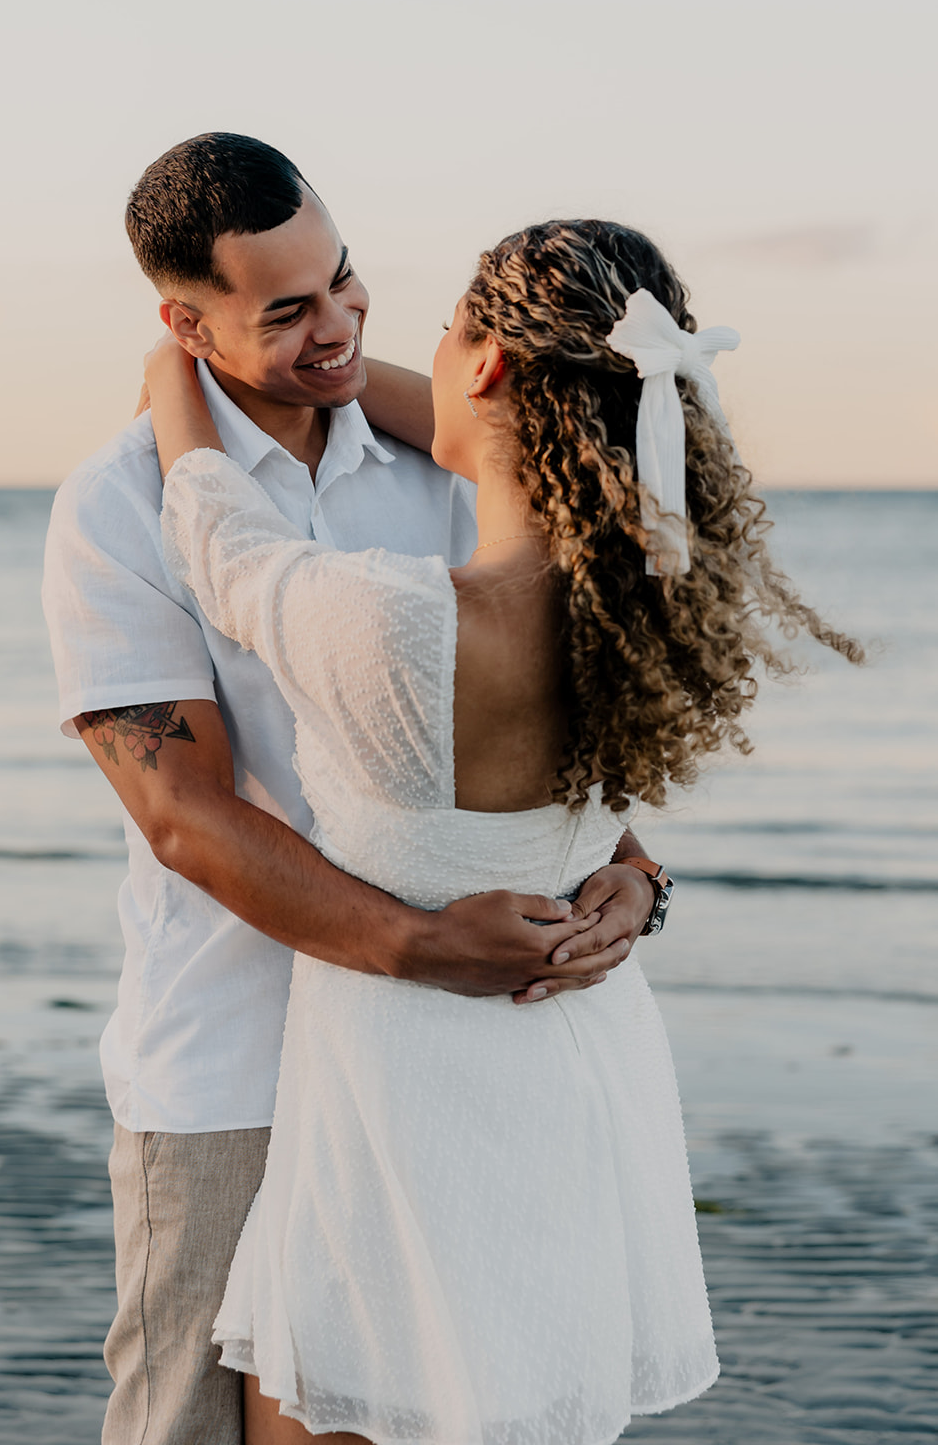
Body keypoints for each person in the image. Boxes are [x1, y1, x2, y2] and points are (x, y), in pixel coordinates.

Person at [142, 215, 863, 1445]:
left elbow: (219, 538)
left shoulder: (395, 620)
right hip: (574, 1077)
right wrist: (639, 884)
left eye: (437, 333)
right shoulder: (640, 605)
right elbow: (605, 831)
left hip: (404, 1097)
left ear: (481, 367)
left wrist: (177, 362)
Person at [42, 135, 658, 1445]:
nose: (336, 328)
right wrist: (418, 946)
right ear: (184, 319)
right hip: (236, 1064)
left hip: (445, 1066)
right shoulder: (119, 503)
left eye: (344, 281)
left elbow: (540, 714)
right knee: (185, 1426)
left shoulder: (447, 465)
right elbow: (181, 816)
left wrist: (630, 871)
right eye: (285, 310)